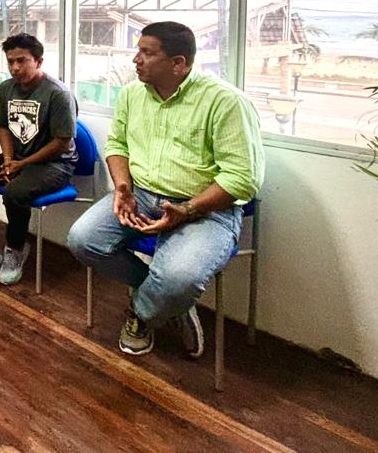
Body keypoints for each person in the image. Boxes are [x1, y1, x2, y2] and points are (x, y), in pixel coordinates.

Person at [67, 21, 263, 358]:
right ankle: (167, 301)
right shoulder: (132, 94)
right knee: (83, 240)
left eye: (147, 53)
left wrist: (187, 210)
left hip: (206, 208)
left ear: (179, 63)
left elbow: (242, 178)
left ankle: (145, 311)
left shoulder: (225, 102)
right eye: (138, 51)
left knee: (179, 280)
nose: (136, 60)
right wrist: (123, 187)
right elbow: (117, 145)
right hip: (142, 195)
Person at [0, 33, 78, 286]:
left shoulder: (58, 94)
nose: (15, 67)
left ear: (38, 61)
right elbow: (4, 127)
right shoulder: (7, 88)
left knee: (14, 193)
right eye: (11, 61)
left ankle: (15, 249)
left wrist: (21, 165)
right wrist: (8, 160)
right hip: (18, 157)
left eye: (22, 61)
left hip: (56, 164)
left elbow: (62, 143)